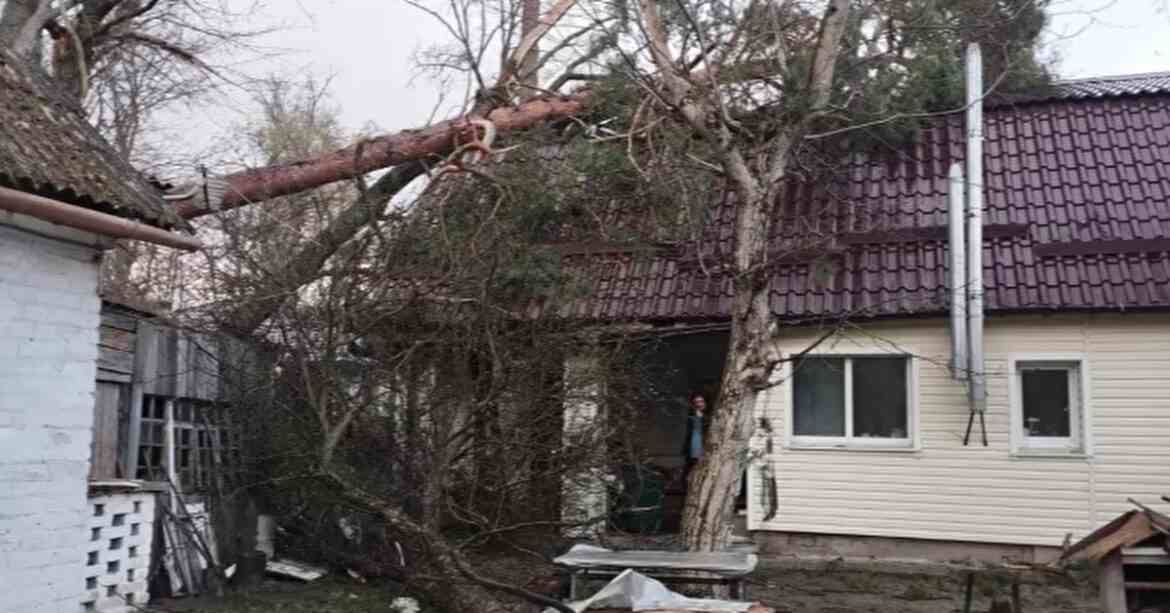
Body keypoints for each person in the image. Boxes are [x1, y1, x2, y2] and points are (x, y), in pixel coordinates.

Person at [681, 391, 709, 482]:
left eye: (701, 401)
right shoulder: (691, 417)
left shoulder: (710, 417)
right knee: (690, 471)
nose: (699, 404)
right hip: (693, 447)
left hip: (705, 446)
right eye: (696, 402)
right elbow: (690, 433)